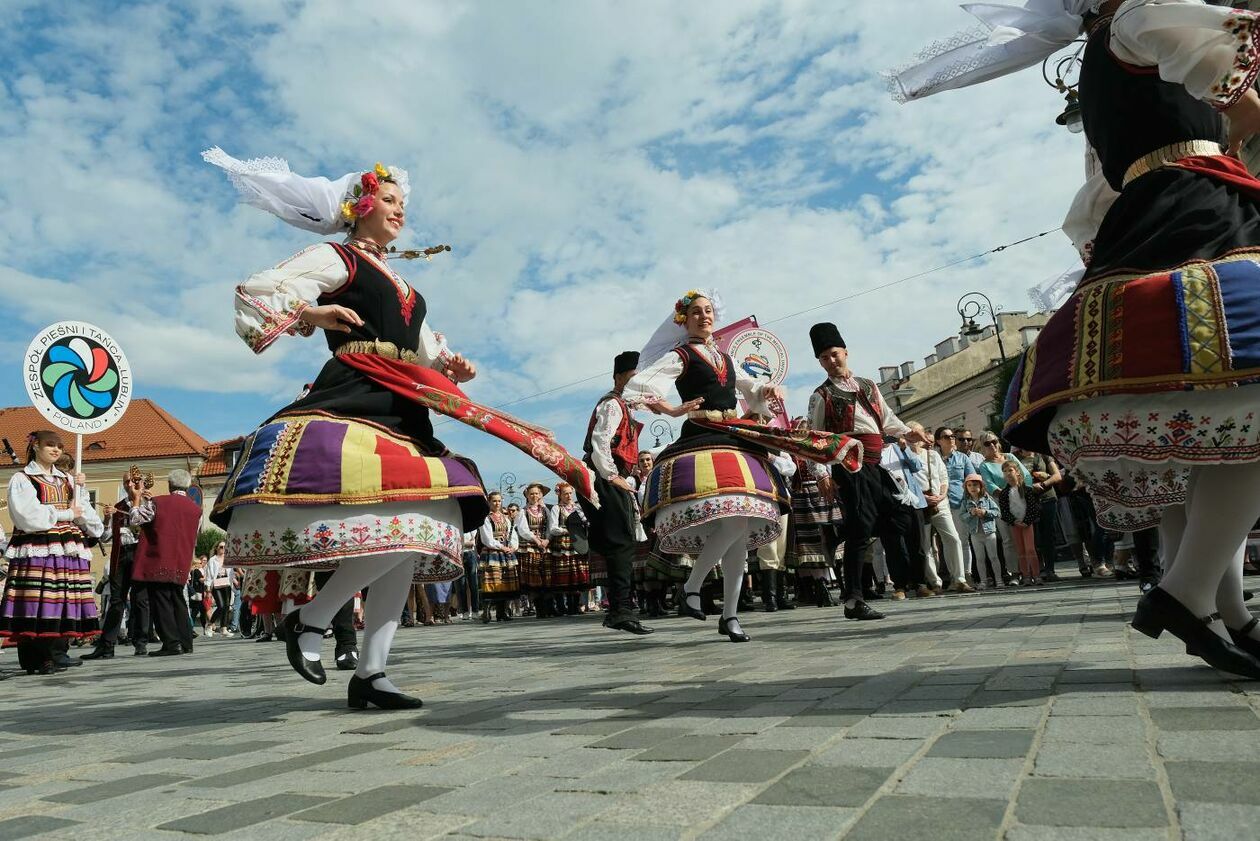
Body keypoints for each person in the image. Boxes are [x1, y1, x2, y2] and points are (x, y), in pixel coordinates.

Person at [895, 0, 1260, 678]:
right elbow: (1240, 99)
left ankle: (1225, 612)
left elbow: (1097, 195)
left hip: (1147, 220)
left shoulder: (1098, 59)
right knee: (1245, 395)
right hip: (1202, 207)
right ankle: (1187, 595)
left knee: (1210, 427)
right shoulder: (1144, 15)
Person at [205, 148, 591, 709]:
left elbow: (426, 345)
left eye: (403, 202)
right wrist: (314, 316)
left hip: (404, 403)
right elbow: (260, 288)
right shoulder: (339, 259)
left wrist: (450, 365)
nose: (399, 210)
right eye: (388, 199)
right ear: (359, 206)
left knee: (419, 527)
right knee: (412, 519)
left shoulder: (402, 281)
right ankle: (312, 621)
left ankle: (371, 672)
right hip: (355, 394)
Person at [626, 291, 860, 642]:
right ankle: (692, 587)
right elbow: (639, 386)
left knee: (743, 522)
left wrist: (770, 388)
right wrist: (673, 410)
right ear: (683, 320)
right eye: (695, 312)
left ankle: (730, 615)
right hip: (703, 433)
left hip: (735, 433)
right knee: (737, 518)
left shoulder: (726, 358)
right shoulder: (681, 355)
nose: (704, 317)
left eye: (708, 311)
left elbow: (751, 388)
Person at [806, 322, 926, 620]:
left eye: (835, 354)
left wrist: (908, 433)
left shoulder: (869, 385)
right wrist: (821, 474)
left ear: (845, 352)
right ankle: (853, 600)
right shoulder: (821, 395)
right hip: (849, 466)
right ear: (820, 362)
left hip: (876, 464)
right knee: (859, 531)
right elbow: (814, 439)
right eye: (824, 357)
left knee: (899, 515)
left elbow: (886, 418)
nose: (831, 360)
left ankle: (905, 579)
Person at [1, 431, 103, 673]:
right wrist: (66, 514)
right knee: (36, 598)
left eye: (59, 446)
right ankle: (37, 658)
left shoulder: (67, 480)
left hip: (66, 547)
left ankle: (56, 653)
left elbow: (87, 516)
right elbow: (27, 516)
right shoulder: (23, 478)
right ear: (35, 446)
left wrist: (81, 490)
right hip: (38, 544)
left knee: (62, 598)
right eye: (50, 445)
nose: (56, 449)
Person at [578, 351, 653, 634]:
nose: (637, 383)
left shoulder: (625, 405)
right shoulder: (612, 404)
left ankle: (618, 610)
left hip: (611, 478)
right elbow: (600, 442)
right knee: (621, 543)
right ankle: (621, 610)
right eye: (633, 377)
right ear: (619, 377)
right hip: (605, 477)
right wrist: (612, 476)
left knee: (619, 544)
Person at [127, 469, 201, 656]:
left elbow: (135, 520)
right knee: (178, 600)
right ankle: (186, 642)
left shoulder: (158, 502)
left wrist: (136, 500)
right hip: (181, 559)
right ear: (188, 485)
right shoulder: (195, 509)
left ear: (170, 485)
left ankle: (171, 642)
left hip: (159, 557)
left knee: (161, 602)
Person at [82, 488, 146, 658]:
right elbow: (104, 537)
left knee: (140, 600)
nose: (129, 485)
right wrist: (107, 518)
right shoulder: (118, 507)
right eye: (126, 482)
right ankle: (107, 645)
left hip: (139, 553)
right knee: (116, 600)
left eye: (132, 482)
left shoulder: (147, 503)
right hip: (121, 554)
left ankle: (140, 642)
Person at [976, 432, 1029, 584]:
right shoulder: (984, 465)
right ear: (982, 447)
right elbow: (990, 484)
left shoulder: (1010, 457)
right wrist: (1008, 494)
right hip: (1001, 504)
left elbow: (1024, 475)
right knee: (1007, 539)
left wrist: (1023, 491)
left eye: (993, 441)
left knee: (1025, 535)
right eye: (987, 443)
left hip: (1020, 499)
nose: (991, 445)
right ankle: (1014, 572)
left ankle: (1029, 570)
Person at [1011, 447, 1065, 581]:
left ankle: (1050, 570)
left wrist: (1044, 483)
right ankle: (1038, 569)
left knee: (1049, 534)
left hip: (1047, 498)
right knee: (1033, 537)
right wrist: (1028, 487)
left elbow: (1057, 475)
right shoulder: (1014, 457)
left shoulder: (1043, 455)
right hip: (1026, 501)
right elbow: (1010, 478)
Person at [936, 427, 978, 590]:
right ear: (938, 441)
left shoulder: (962, 458)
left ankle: (965, 575)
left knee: (963, 541)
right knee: (948, 542)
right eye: (946, 437)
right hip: (942, 503)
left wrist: (972, 499)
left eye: (953, 436)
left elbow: (972, 478)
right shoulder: (935, 459)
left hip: (960, 502)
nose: (951, 439)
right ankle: (954, 577)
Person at [997, 461, 1044, 586]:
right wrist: (1014, 521)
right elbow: (1005, 511)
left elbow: (1032, 507)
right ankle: (1026, 576)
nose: (1008, 473)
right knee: (1020, 550)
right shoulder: (1004, 494)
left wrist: (1026, 521)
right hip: (1015, 524)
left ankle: (1036, 575)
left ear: (1017, 472)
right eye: (1005, 471)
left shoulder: (1027, 490)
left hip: (1027, 524)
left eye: (1010, 470)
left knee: (1030, 549)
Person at [546, 482, 589, 615]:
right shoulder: (556, 509)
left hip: (577, 544)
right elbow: (553, 528)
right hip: (562, 545)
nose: (569, 496)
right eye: (566, 493)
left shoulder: (578, 507)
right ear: (560, 494)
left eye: (570, 493)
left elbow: (586, 522)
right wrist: (567, 530)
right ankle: (562, 606)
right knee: (563, 575)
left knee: (576, 574)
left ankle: (575, 606)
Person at [479, 492, 520, 623]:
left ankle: (502, 612)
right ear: (489, 502)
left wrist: (513, 546)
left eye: (499, 501)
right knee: (492, 582)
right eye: (494, 501)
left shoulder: (506, 518)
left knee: (505, 582)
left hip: (506, 553)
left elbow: (512, 535)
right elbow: (487, 539)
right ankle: (486, 612)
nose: (497, 503)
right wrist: (501, 547)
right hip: (492, 553)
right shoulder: (486, 518)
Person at [514, 484, 552, 616]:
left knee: (546, 577)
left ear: (541, 495)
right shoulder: (523, 512)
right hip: (530, 547)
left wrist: (547, 539)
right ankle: (539, 609)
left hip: (544, 545)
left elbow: (550, 527)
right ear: (527, 496)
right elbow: (523, 530)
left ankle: (549, 607)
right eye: (531, 494)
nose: (534, 496)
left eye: (536, 493)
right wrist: (536, 540)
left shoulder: (545, 510)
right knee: (533, 579)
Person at [960, 474, 1002, 586]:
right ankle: (983, 581)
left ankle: (999, 580)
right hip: (975, 534)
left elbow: (997, 512)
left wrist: (985, 512)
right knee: (979, 558)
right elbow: (962, 516)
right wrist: (970, 513)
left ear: (981, 486)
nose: (972, 487)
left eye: (975, 485)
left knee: (993, 557)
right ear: (966, 488)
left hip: (989, 533)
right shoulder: (965, 502)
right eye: (969, 485)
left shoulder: (987, 499)